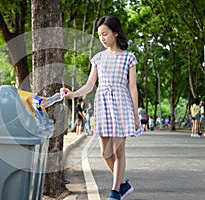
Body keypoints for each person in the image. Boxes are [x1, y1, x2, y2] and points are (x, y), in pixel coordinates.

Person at [61, 15, 141, 200]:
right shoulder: (98, 58)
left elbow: (132, 87)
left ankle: (114, 192)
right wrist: (71, 94)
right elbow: (89, 85)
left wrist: (136, 115)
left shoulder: (129, 57)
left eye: (105, 34)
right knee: (105, 152)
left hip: (121, 104)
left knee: (119, 151)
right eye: (99, 35)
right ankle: (123, 184)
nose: (102, 38)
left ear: (115, 33)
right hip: (103, 105)